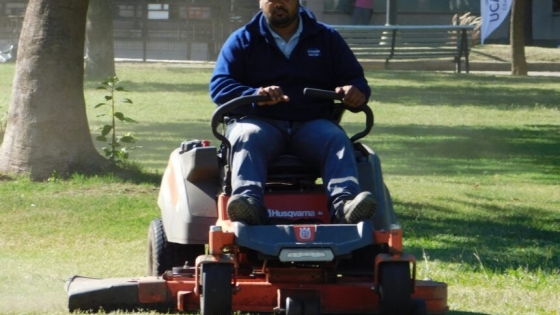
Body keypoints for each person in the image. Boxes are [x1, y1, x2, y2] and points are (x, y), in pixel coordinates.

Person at [209, 0, 376, 225]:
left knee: (335, 138)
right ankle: (248, 204)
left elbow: (355, 79)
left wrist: (355, 91)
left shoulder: (326, 38)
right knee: (247, 135)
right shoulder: (242, 39)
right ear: (260, 2)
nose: (279, 4)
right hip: (259, 122)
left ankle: (345, 206)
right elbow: (220, 87)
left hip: (312, 123)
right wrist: (255, 94)